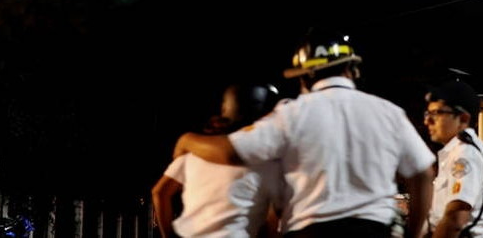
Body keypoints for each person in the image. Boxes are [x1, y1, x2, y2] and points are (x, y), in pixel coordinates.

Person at [173, 30, 436, 237]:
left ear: (304, 78)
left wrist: (188, 140)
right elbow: (423, 173)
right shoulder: (387, 111)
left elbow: (230, 152)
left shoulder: (291, 114)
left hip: (310, 231)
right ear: (351, 69)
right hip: (374, 230)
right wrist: (413, 232)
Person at [152, 82, 283, 238]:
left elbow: (159, 192)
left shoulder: (196, 151)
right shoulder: (268, 161)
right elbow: (272, 217)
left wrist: (167, 235)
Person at [423, 78, 483, 238]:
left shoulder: (466, 154)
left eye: (437, 113)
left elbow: (455, 219)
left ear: (463, 119)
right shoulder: (458, 151)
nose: (427, 121)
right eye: (427, 113)